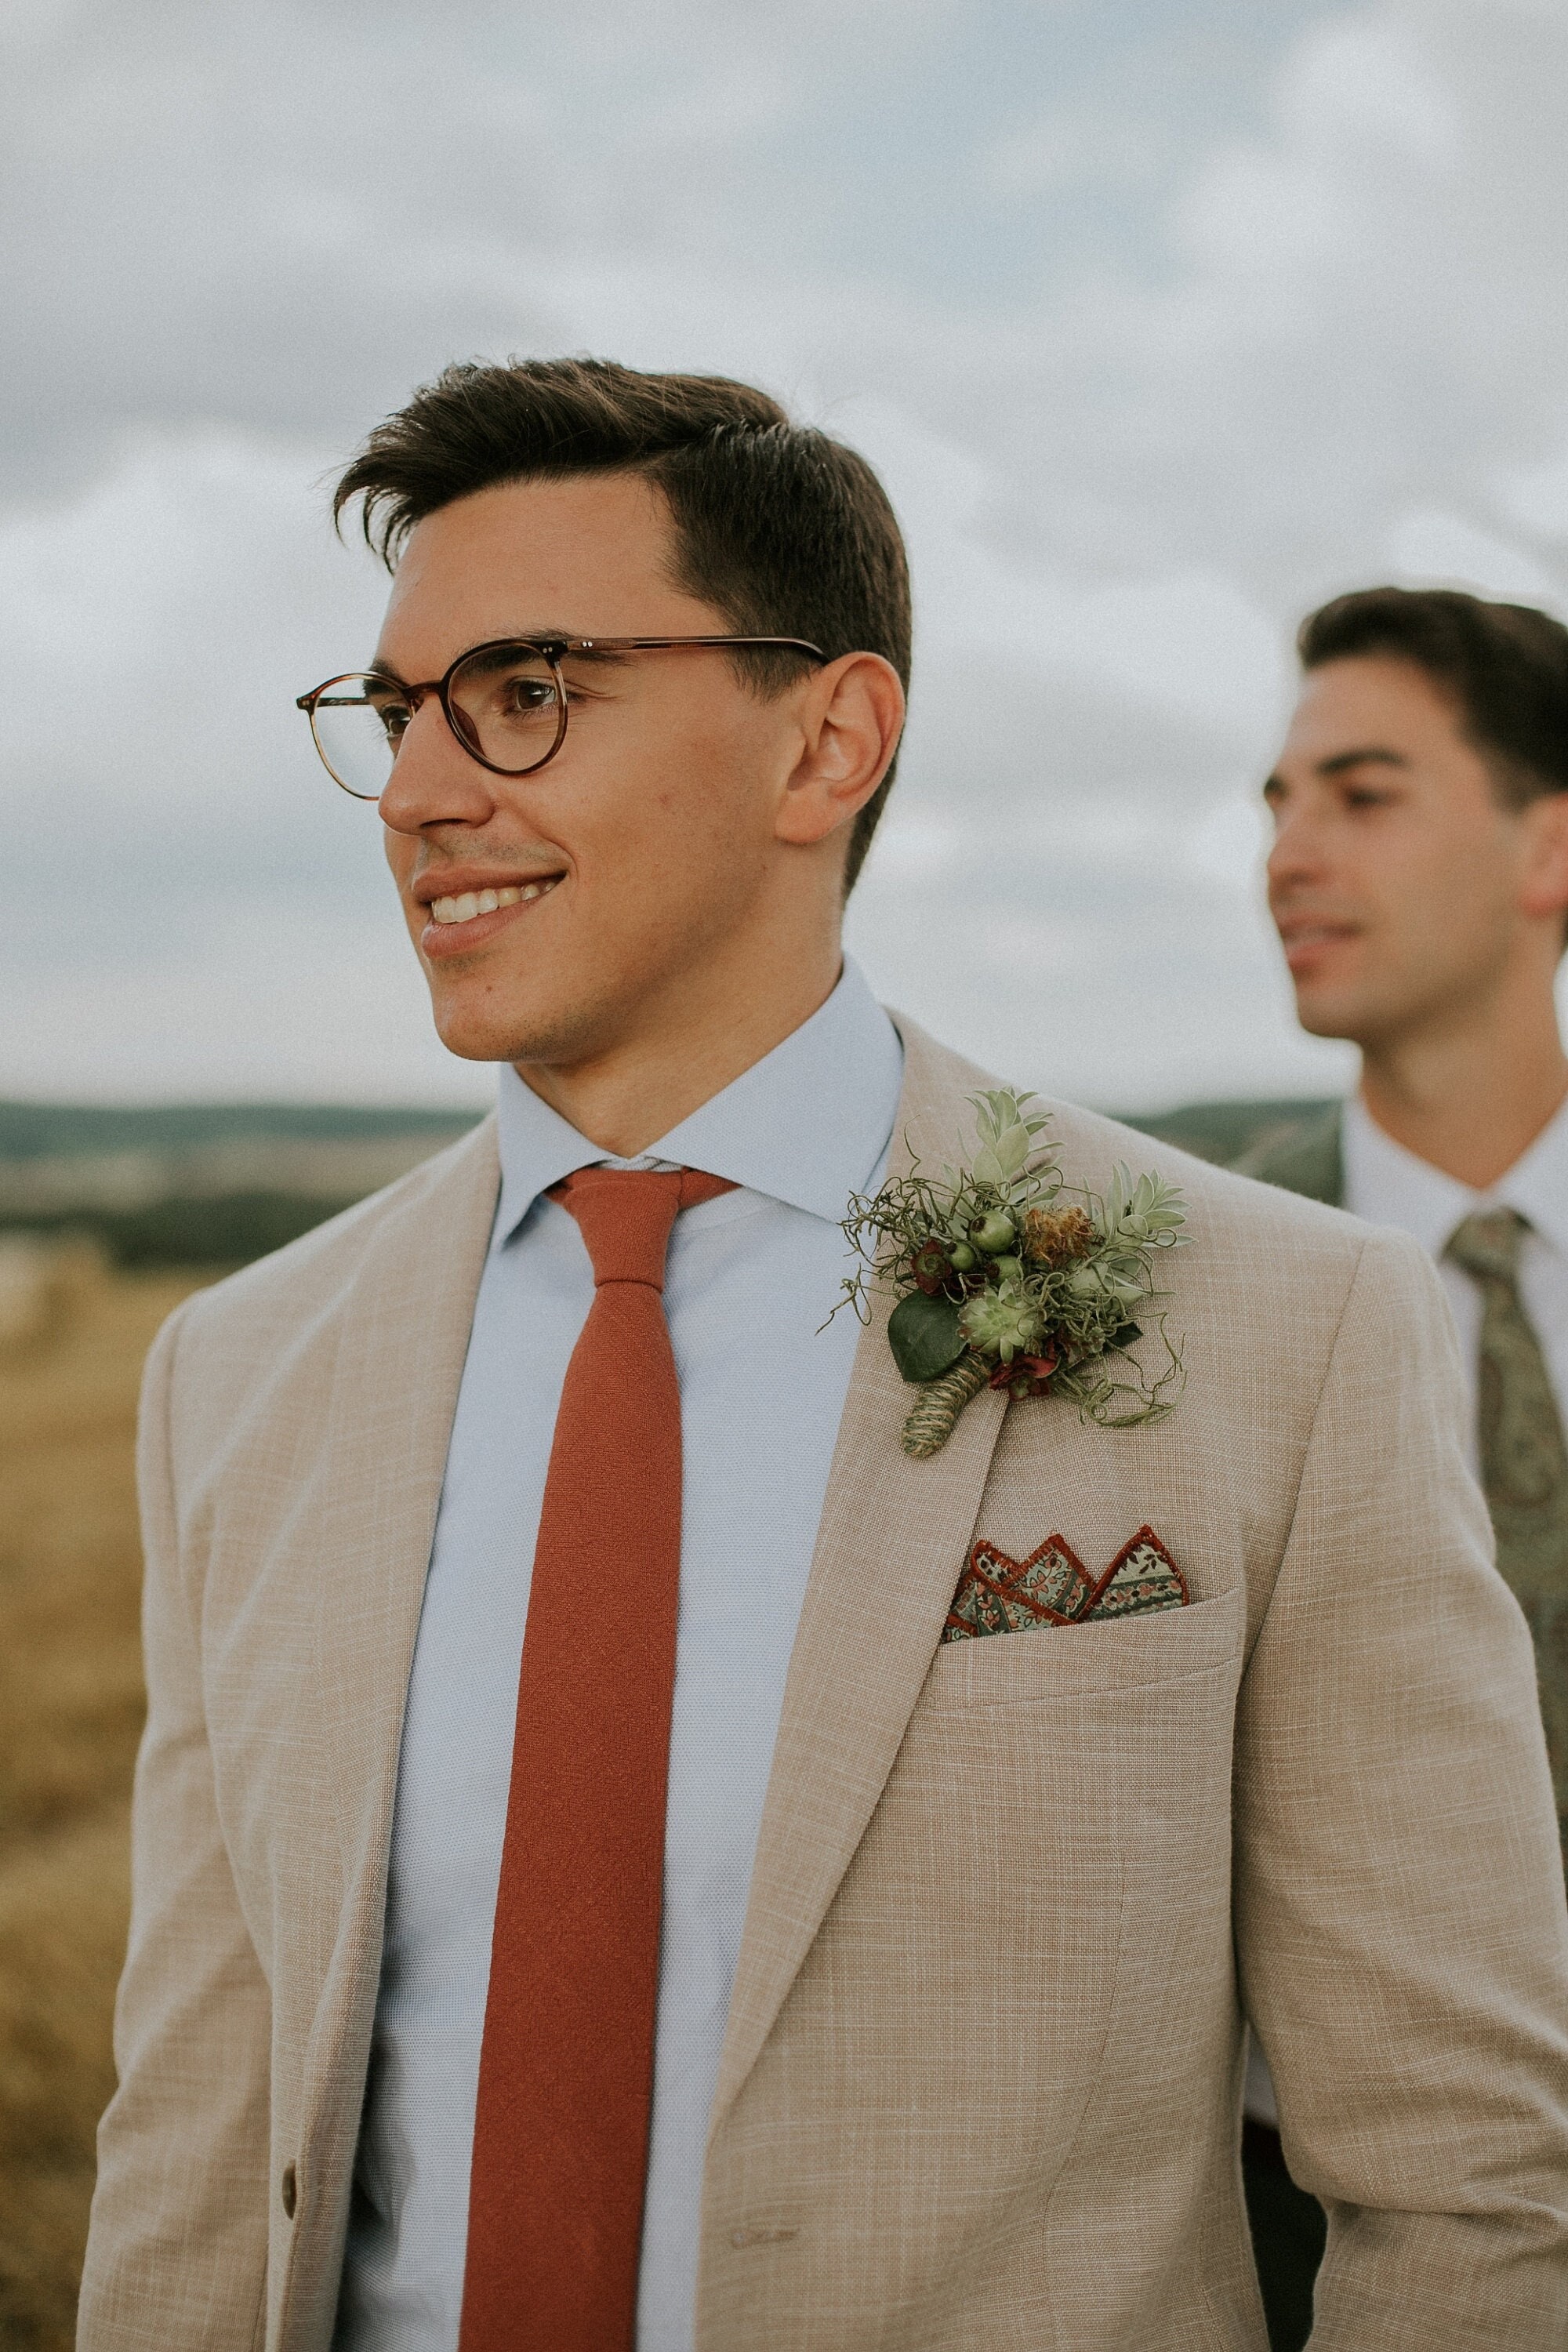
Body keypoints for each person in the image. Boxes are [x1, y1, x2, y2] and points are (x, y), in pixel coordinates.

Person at [78, 369, 1568, 2352]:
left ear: (828, 740)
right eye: (395, 712)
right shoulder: (236, 1376)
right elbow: (191, 2149)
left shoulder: (1285, 1330)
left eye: (525, 690)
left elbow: (1465, 2185)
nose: (426, 792)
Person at [1237, 584, 1568, 2350]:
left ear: (1549, 852)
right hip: (1301, 2228)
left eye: (1359, 795)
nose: (1289, 852)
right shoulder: (1170, 1289)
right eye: (1275, 806)